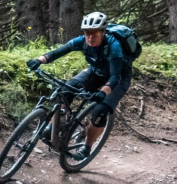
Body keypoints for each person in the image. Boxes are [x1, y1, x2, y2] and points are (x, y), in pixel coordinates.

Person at [27, 12, 133, 160]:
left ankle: (86, 148)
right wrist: (39, 60)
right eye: (87, 33)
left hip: (119, 78)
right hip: (95, 71)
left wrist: (103, 92)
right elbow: (58, 52)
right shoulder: (82, 41)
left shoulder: (113, 46)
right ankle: (55, 125)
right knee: (65, 90)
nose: (90, 37)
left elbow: (115, 77)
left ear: (103, 32)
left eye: (95, 33)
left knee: (100, 110)